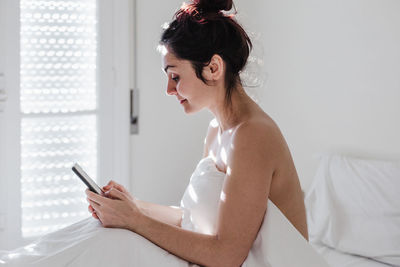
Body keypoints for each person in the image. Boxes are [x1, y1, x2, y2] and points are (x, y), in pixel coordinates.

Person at [85, 0, 308, 266]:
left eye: (175, 76)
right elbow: (191, 218)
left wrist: (135, 220)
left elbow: (227, 255)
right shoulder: (217, 132)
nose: (168, 89)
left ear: (214, 68)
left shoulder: (253, 135)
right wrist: (131, 207)